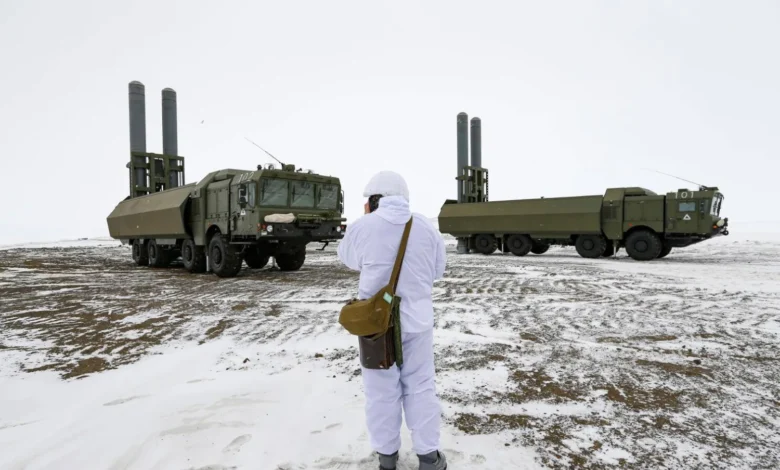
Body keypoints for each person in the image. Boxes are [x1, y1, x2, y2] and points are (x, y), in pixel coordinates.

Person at [337, 171, 448, 470]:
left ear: (374, 199)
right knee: (421, 387)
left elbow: (347, 258)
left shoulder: (363, 227)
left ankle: (387, 459)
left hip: (377, 325)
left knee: (381, 392)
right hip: (418, 323)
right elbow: (438, 271)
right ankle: (429, 458)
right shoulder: (426, 227)